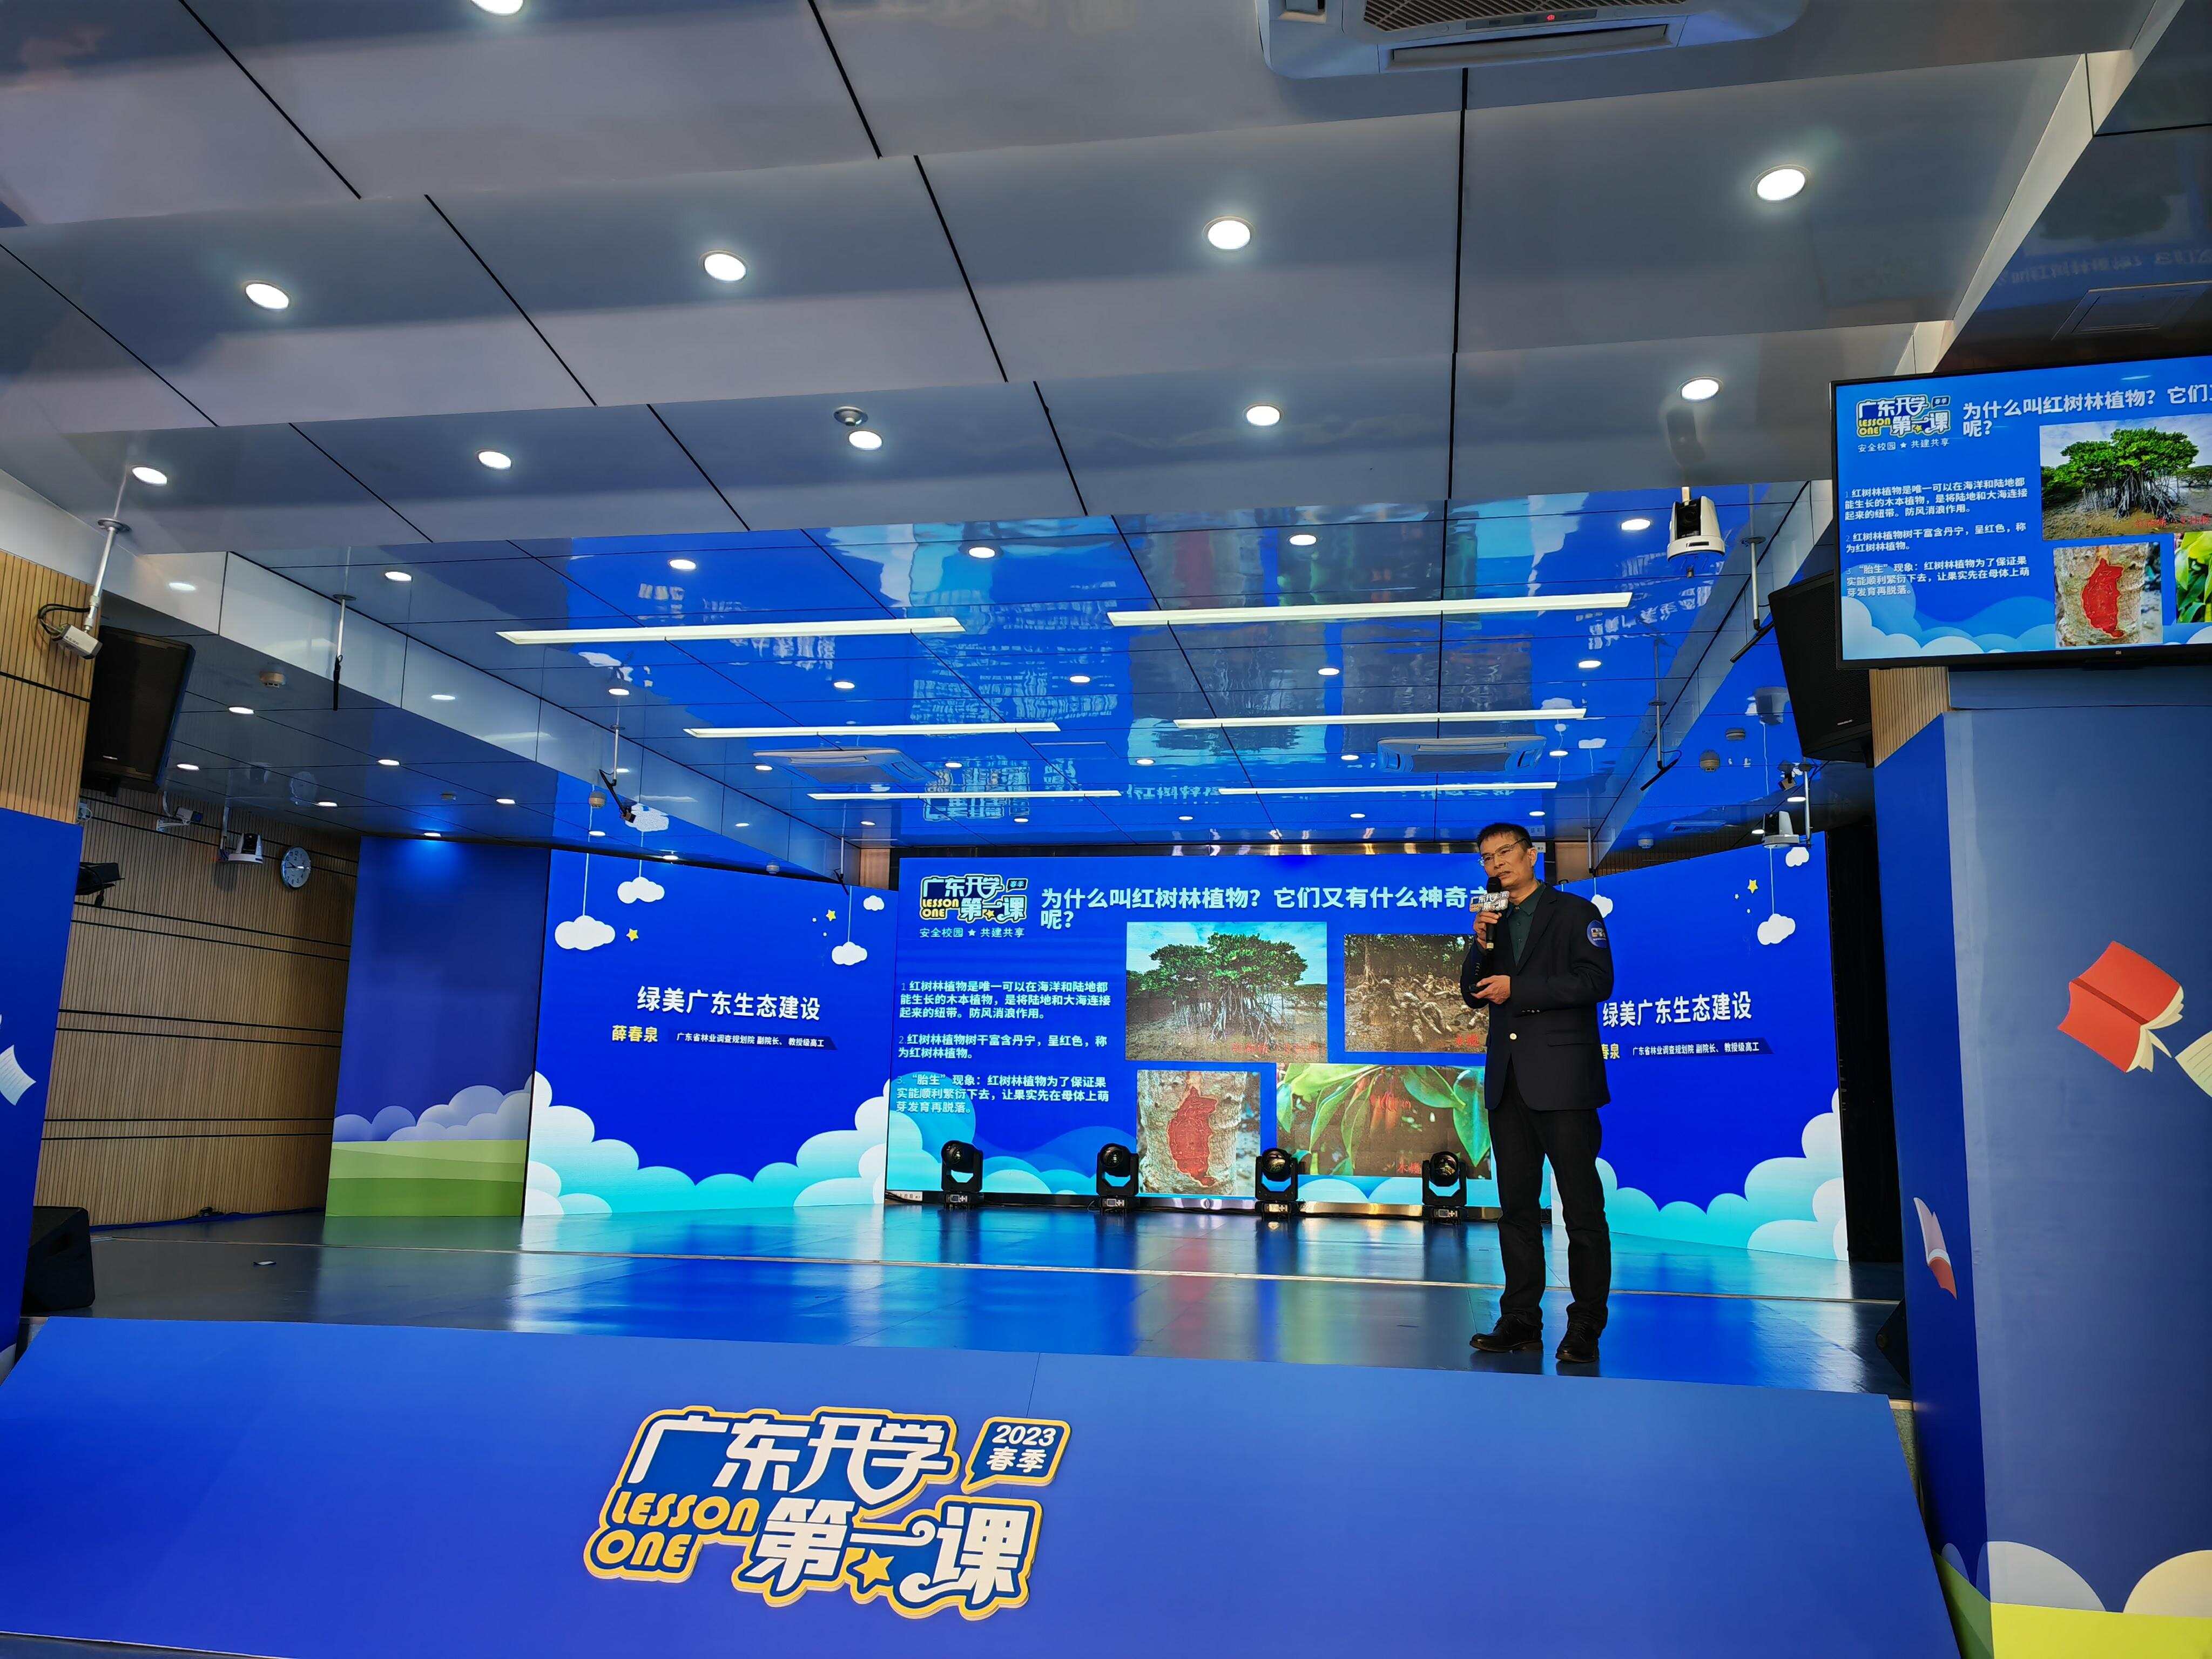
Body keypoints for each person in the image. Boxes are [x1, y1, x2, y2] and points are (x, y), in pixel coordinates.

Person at [1460, 822, 1615, 1365]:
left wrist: (1519, 988)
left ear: (1531, 855)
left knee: (1582, 1209)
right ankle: (1520, 1320)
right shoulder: (1492, 918)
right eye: (1487, 858)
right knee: (1517, 1210)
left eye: (1505, 852)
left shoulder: (1574, 913)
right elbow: (1472, 993)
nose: (1496, 864)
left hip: (1565, 1081)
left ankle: (1586, 1325)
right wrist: (1480, 944)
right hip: (1509, 1084)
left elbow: (1596, 982)